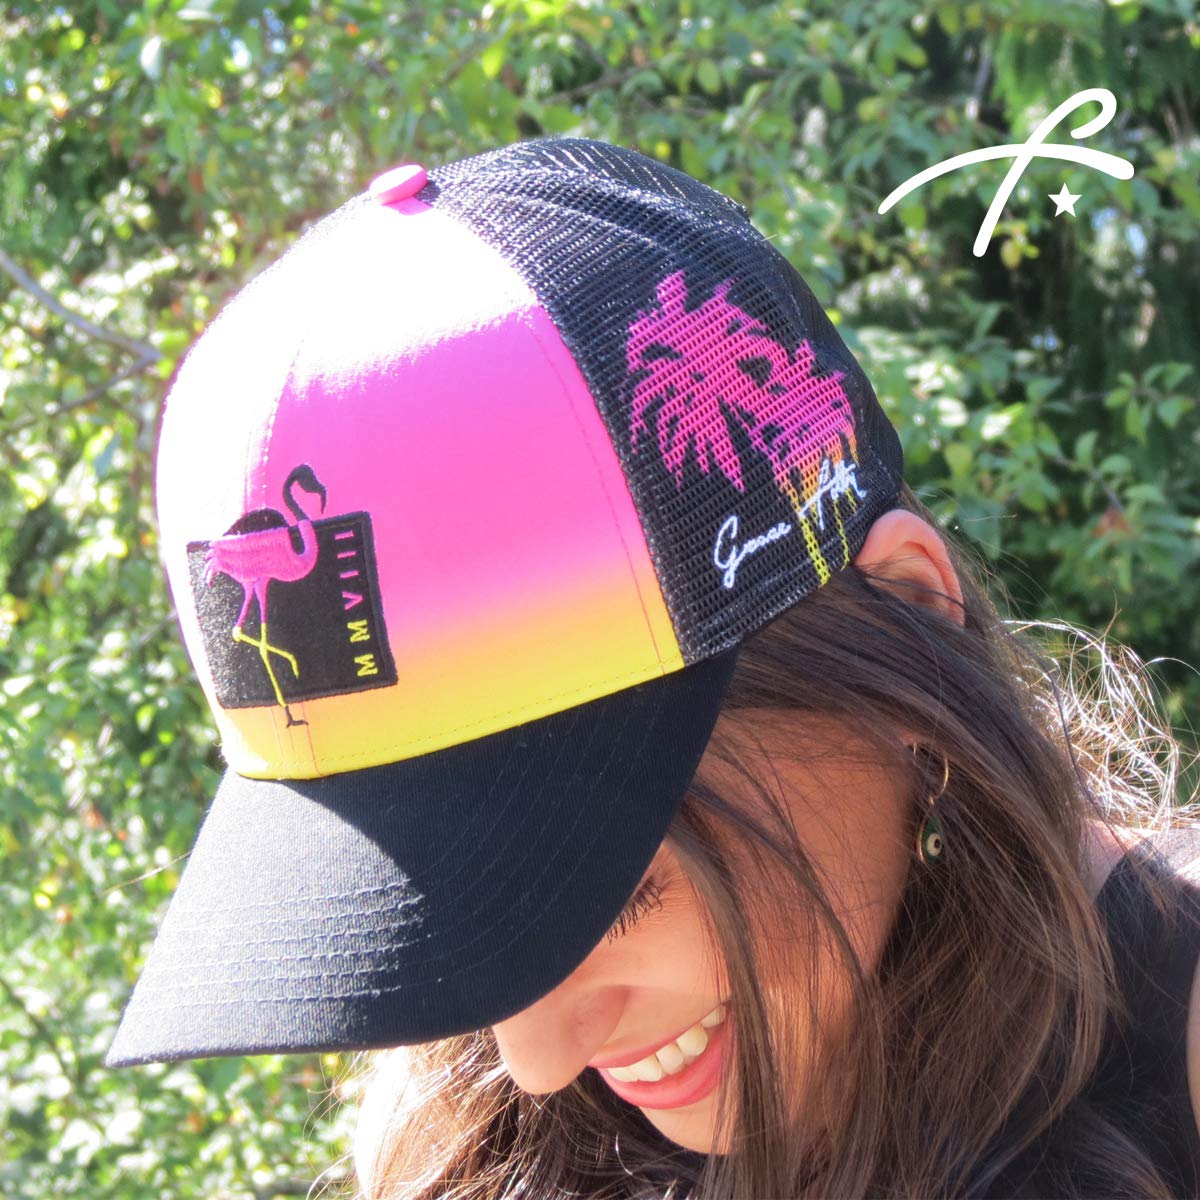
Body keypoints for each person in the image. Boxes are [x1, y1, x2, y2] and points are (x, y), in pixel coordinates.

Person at [103, 136, 1200, 1199]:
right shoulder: (467, 1138)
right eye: (454, 909)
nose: (535, 1057)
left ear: (908, 626)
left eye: (610, 883)